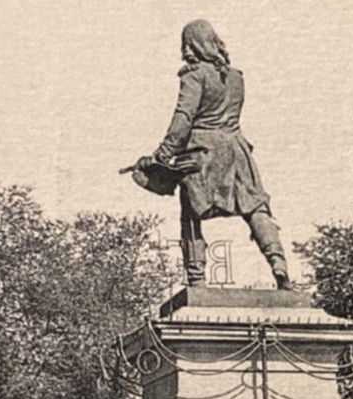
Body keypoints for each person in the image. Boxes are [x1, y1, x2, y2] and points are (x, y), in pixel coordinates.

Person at [123, 20, 291, 290]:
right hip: (238, 153)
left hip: (203, 153)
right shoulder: (236, 77)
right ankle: (279, 264)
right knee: (256, 208)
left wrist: (161, 156)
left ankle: (197, 279)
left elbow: (184, 118)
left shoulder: (193, 75)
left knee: (190, 213)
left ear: (190, 45)